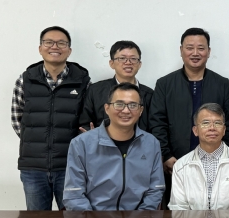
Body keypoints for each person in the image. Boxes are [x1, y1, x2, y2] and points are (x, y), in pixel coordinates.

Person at [149, 28, 229, 203]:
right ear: (181, 50)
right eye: (190, 48)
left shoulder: (222, 83)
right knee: (179, 209)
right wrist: (166, 155)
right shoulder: (165, 84)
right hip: (175, 161)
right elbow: (157, 122)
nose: (195, 53)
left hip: (216, 161)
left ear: (208, 51)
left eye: (201, 48)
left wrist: (226, 159)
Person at [12, 26, 90, 211]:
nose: (55, 47)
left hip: (70, 167)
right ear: (40, 48)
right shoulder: (25, 80)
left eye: (61, 43)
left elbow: (87, 120)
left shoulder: (82, 81)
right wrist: (36, 141)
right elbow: (17, 119)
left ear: (69, 50)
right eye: (49, 42)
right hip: (33, 167)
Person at [63, 83, 164, 211]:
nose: (126, 111)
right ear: (107, 108)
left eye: (133, 105)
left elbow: (155, 189)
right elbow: (74, 193)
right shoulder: (81, 143)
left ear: (141, 111)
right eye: (119, 104)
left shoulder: (151, 143)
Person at [169, 103, 229, 210]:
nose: (212, 128)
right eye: (205, 123)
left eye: (217, 123)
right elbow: (178, 209)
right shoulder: (181, 166)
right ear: (195, 130)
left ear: (224, 130)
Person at [80, 40, 154, 132]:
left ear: (139, 64)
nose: (128, 62)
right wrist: (90, 136)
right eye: (122, 58)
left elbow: (155, 126)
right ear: (112, 63)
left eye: (133, 58)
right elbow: (84, 124)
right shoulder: (95, 91)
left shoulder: (150, 95)